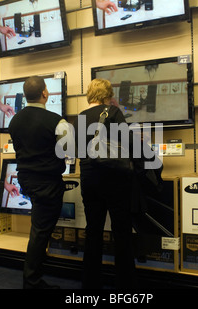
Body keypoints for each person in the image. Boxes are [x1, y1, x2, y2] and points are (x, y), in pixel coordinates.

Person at [73, 78, 137, 289]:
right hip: (115, 179)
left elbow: (76, 151)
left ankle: (90, 286)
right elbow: (128, 145)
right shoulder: (113, 113)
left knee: (93, 231)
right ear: (107, 95)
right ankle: (125, 286)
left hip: (89, 179)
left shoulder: (80, 117)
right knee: (122, 232)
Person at [8, 76, 71, 289]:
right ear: (45, 93)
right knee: (40, 232)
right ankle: (32, 282)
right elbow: (68, 152)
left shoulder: (14, 121)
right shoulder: (56, 121)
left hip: (27, 180)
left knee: (39, 228)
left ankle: (33, 280)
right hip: (48, 183)